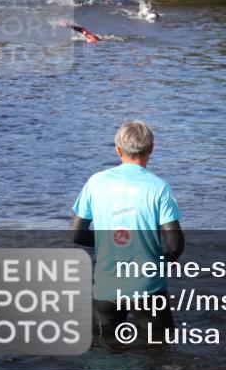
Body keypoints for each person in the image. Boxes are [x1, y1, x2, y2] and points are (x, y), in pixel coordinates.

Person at [70, 121, 184, 344]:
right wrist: (168, 260)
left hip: (106, 287)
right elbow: (175, 245)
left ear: (118, 150)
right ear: (151, 148)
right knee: (158, 354)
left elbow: (76, 234)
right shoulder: (159, 187)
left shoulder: (96, 182)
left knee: (106, 355)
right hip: (148, 287)